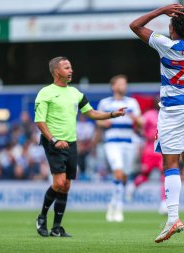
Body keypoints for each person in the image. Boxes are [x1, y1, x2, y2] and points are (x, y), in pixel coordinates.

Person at [130, 2, 184, 243]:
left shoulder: (166, 44)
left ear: (172, 28)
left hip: (173, 111)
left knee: (170, 164)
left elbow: (135, 25)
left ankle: (173, 218)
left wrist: (161, 10)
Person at [34, 56, 126, 237]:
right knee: (58, 183)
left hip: (71, 143)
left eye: (71, 67)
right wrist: (53, 140)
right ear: (56, 71)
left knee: (66, 186)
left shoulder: (75, 93)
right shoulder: (45, 93)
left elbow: (91, 112)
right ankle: (42, 217)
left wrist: (112, 114)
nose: (71, 70)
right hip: (53, 142)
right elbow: (39, 122)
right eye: (67, 68)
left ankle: (56, 228)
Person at [96, 74, 143, 222]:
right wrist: (105, 122)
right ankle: (119, 207)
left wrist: (135, 119)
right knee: (118, 172)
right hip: (112, 142)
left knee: (124, 176)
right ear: (113, 86)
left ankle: (112, 203)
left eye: (125, 83)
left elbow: (141, 122)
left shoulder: (132, 103)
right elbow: (98, 120)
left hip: (128, 142)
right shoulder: (105, 103)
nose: (124, 86)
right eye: (121, 83)